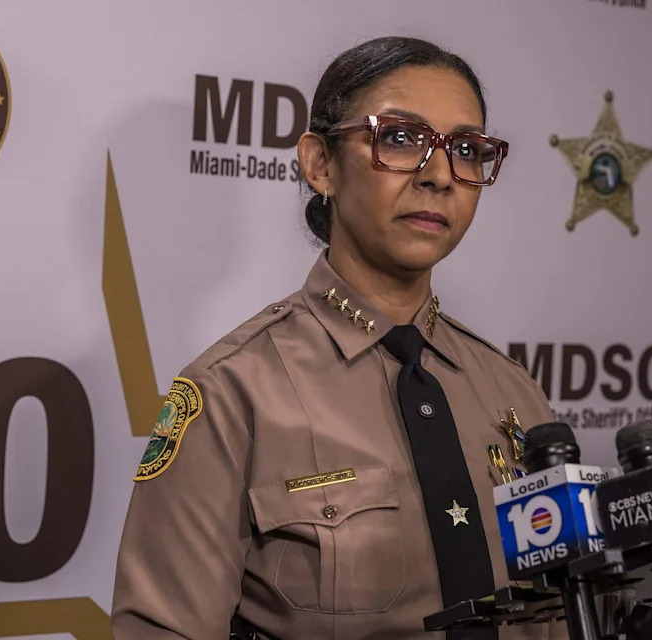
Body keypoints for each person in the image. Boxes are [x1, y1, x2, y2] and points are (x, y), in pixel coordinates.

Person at [112, 36, 563, 639]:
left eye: (465, 149)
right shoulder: (229, 393)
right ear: (321, 164)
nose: (439, 176)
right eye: (400, 139)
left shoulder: (515, 393)